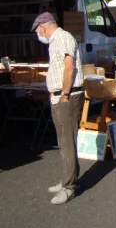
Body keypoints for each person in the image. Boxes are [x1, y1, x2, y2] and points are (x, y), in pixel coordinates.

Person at [32, 12, 84, 205]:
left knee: (67, 141)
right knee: (63, 141)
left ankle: (69, 186)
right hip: (60, 96)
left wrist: (64, 94)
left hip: (67, 96)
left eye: (38, 30)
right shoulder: (57, 40)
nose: (39, 34)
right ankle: (66, 179)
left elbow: (69, 67)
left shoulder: (62, 37)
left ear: (43, 27)